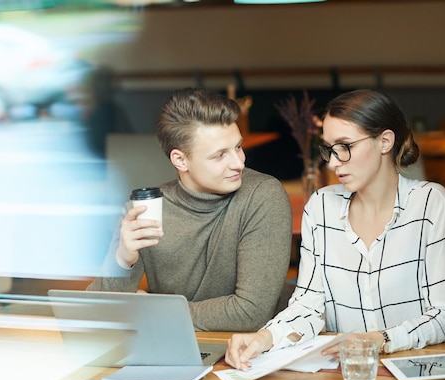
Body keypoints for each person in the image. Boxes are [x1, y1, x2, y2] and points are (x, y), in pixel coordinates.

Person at [226, 89, 445, 370]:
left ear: (385, 141)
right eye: (328, 148)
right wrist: (264, 338)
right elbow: (308, 306)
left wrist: (382, 340)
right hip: (347, 379)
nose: (333, 161)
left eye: (345, 146)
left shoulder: (429, 203)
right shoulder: (321, 206)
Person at [88, 87, 293, 332]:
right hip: (177, 344)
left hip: (250, 353)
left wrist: (153, 308)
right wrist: (122, 259)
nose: (239, 163)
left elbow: (250, 313)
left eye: (238, 147)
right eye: (220, 155)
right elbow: (96, 313)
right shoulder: (144, 210)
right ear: (180, 160)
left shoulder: (262, 195)